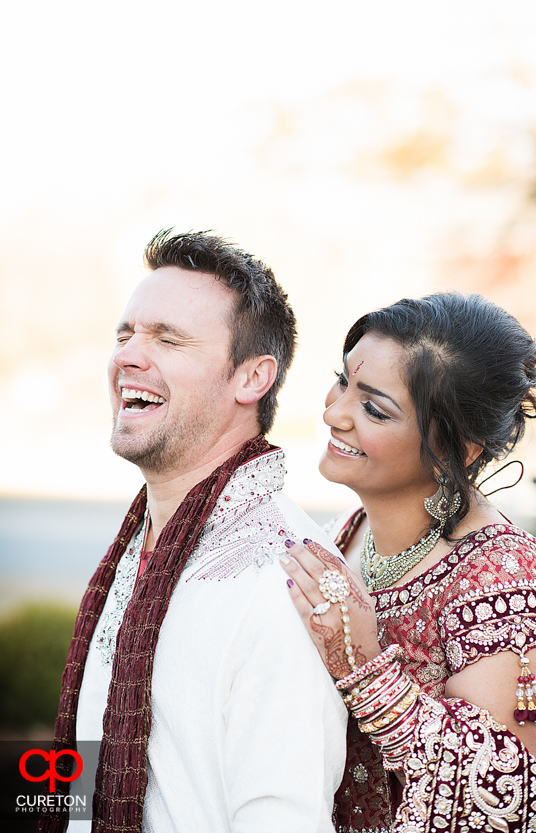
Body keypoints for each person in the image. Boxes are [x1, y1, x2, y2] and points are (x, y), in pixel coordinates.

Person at [39, 230, 347, 833]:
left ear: (252, 377)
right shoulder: (132, 551)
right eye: (125, 334)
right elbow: (84, 763)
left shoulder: (286, 578)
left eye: (168, 339)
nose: (127, 356)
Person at [281, 292, 536, 833]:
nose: (333, 412)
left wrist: (366, 671)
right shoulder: (343, 535)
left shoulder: (507, 578)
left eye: (374, 408)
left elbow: (509, 802)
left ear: (458, 447)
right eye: (343, 380)